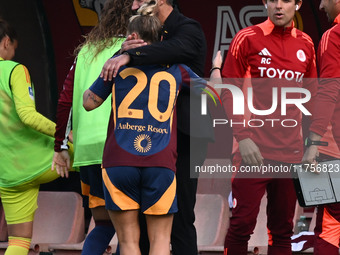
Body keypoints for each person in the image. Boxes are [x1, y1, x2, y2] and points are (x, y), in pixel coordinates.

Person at [99, 1, 212, 254]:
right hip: (149, 138)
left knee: (181, 217)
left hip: (187, 135)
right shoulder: (139, 34)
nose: (134, 5)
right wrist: (123, 53)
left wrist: (129, 54)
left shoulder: (188, 28)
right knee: (139, 221)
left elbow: (168, 51)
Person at [220, 0, 318, 254]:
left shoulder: (306, 44)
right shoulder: (247, 38)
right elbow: (229, 91)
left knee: (283, 230)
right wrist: (242, 137)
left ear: (297, 5)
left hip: (291, 154)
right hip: (252, 152)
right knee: (241, 225)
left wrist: (313, 144)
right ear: (265, 2)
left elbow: (313, 97)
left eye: (286, 0)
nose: (278, 6)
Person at [51, 1, 132, 254]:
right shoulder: (133, 50)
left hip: (88, 151)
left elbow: (65, 100)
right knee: (130, 230)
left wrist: (60, 146)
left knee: (104, 223)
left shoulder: (86, 51)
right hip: (121, 146)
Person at [0, 18, 72, 255]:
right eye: (13, 48)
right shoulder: (13, 69)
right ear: (6, 42)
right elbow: (28, 116)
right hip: (40, 160)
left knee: (18, 243)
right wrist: (63, 136)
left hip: (7, 173)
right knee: (99, 155)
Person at [302, 0, 340, 254]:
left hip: (334, 148)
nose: (320, 7)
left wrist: (313, 143)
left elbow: (329, 91)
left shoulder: (333, 36)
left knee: (330, 224)